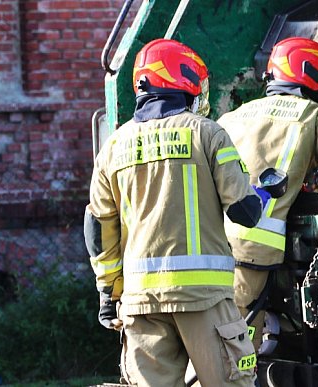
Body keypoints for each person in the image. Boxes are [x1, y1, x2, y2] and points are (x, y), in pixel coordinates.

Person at [84, 38, 267, 387]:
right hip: (205, 299)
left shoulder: (113, 147)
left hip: (141, 304)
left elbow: (98, 228)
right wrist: (261, 193)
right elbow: (244, 212)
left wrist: (109, 292)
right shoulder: (207, 133)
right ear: (183, 81)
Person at [217, 37, 318, 351]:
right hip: (251, 249)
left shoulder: (232, 117)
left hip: (208, 243)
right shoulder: (311, 114)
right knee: (236, 345)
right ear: (311, 77)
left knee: (212, 328)